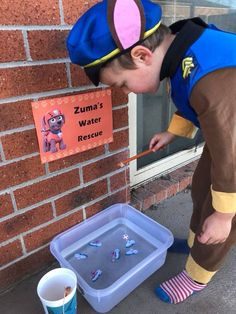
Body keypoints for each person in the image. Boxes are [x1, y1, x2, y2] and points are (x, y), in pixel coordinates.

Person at [67, 0, 236, 304]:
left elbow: (231, 154)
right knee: (202, 187)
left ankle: (198, 275)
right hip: (228, 133)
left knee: (220, 207)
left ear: (142, 55)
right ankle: (199, 240)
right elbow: (193, 97)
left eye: (122, 84)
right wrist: (173, 131)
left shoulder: (211, 81)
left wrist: (225, 215)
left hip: (233, 145)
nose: (126, 92)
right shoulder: (183, 49)